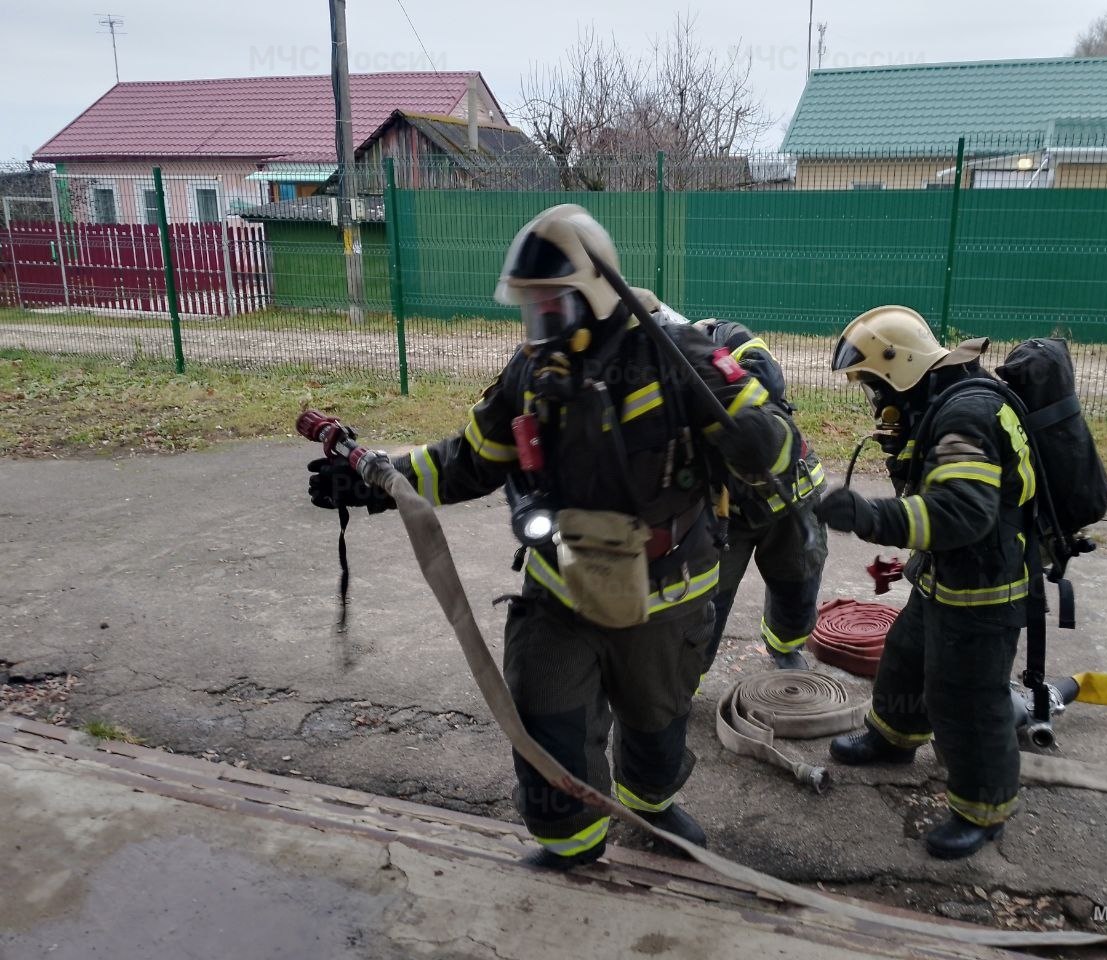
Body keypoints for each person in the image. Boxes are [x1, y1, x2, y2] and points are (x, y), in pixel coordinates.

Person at [306, 204, 795, 870]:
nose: (536, 320)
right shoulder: (531, 372)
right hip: (560, 587)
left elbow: (773, 447)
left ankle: (649, 802)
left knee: (657, 725)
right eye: (529, 306)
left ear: (593, 295)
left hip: (669, 591)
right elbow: (473, 456)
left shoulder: (681, 357)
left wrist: (757, 437)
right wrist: (380, 483)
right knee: (547, 714)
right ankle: (571, 843)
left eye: (549, 303)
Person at [814, 305, 1034, 860]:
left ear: (900, 369)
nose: (872, 400)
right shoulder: (944, 399)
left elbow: (963, 513)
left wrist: (869, 516)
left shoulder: (965, 417)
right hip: (948, 575)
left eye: (872, 384)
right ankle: (893, 740)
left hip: (987, 587)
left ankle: (981, 812)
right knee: (907, 656)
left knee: (967, 698)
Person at [690, 318, 828, 672]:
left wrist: (714, 388)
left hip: (790, 499)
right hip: (724, 514)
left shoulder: (729, 337)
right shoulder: (660, 366)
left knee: (797, 583)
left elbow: (768, 380)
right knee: (706, 602)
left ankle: (785, 647)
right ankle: (685, 680)